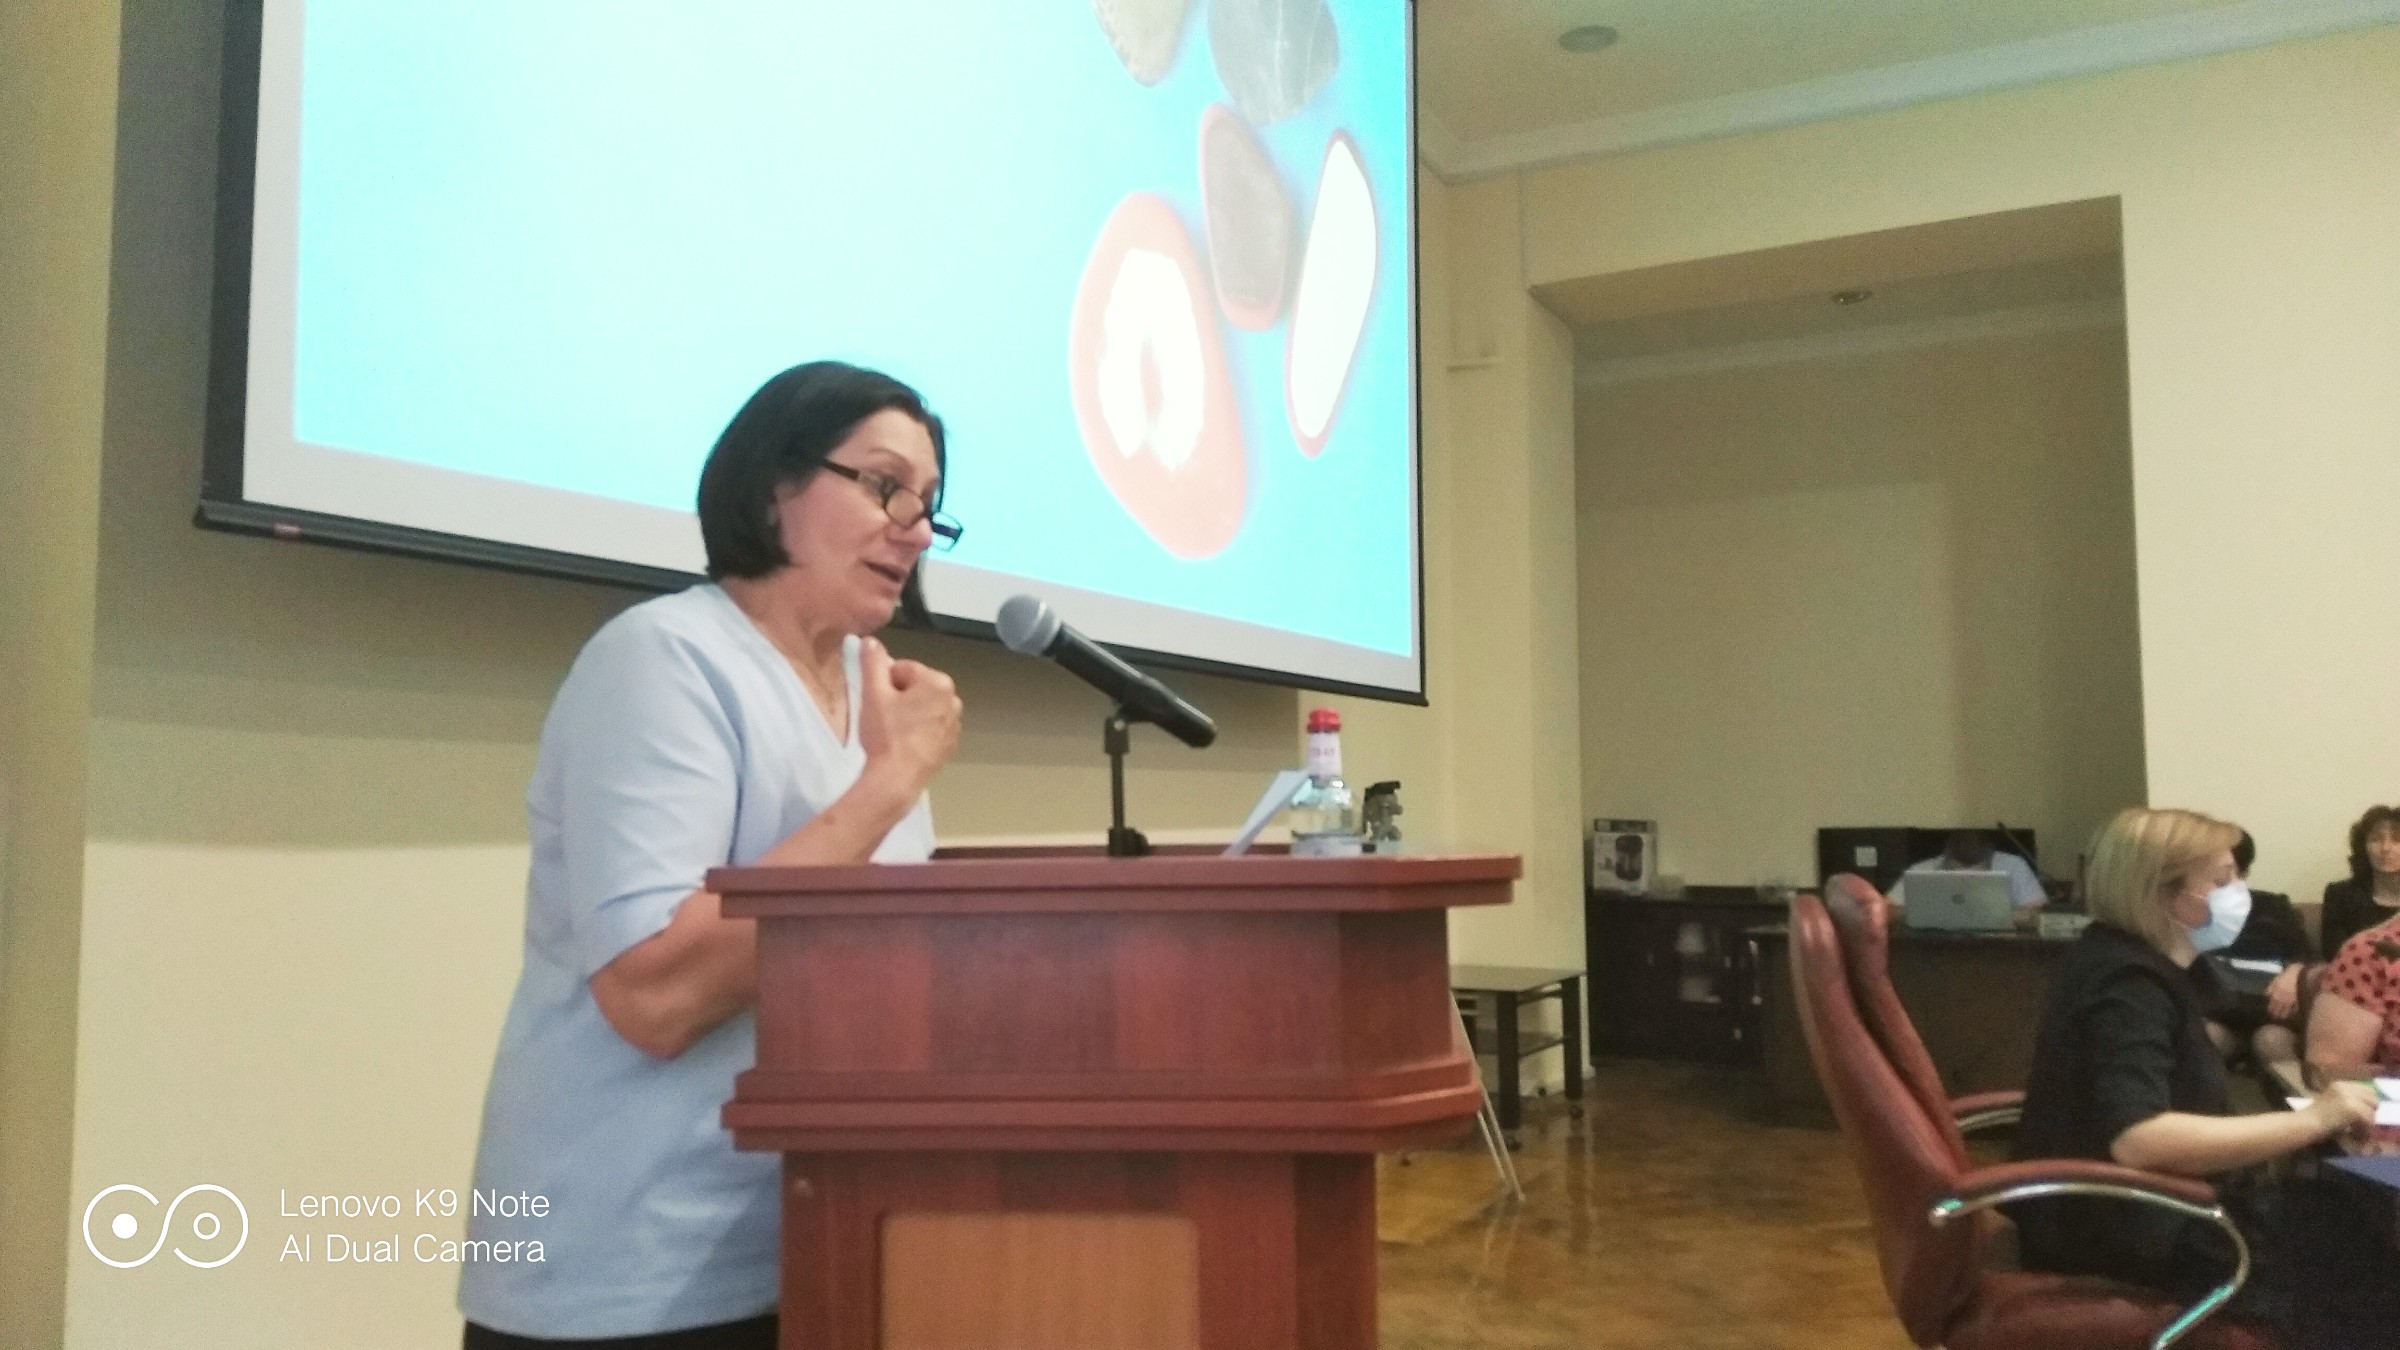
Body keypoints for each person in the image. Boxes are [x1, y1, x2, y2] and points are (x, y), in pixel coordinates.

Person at [457, 362, 965, 1349]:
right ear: (773, 486)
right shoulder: (664, 658)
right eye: (884, 486)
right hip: (632, 1261)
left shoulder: (877, 696)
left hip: (822, 1237)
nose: (912, 528)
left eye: (928, 505)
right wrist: (889, 786)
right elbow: (657, 995)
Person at [2010, 807, 2396, 1347]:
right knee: (2368, 1261)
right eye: (2222, 879)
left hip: (2147, 1206)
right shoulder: (2130, 985)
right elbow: (2140, 1139)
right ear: (2162, 893)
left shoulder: (2124, 960)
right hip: (2138, 1224)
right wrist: (2317, 1120)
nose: (2240, 892)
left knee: (2347, 1209)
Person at [2196, 830, 2316, 1066]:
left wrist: (2294, 974)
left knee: (2270, 1040)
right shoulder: (2192, 908)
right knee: (2207, 1036)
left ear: (2244, 872)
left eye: (2232, 871)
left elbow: (2306, 955)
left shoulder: (2273, 906)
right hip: (2218, 1011)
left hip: (2272, 1012)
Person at [2317, 804, 2400, 958]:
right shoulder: (2339, 895)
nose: (2385, 848)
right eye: (2376, 839)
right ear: (2363, 847)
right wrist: (2393, 922)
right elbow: (2334, 954)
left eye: (2397, 840)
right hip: (2358, 971)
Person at [1890, 829, 2045, 910]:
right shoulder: (1921, 871)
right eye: (1962, 838)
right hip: (1937, 948)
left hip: (1998, 949)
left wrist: (2007, 918)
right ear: (1948, 843)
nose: (1968, 844)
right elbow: (1889, 910)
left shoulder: (2013, 865)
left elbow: (2039, 912)